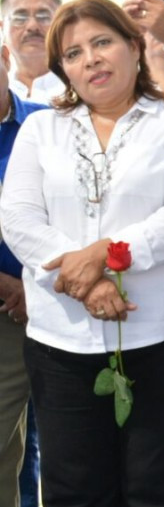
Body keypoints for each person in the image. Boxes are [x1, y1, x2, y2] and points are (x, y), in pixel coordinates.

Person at [0, 0, 164, 505]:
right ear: (64, 70)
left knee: (160, 488)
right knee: (73, 489)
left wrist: (108, 252)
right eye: (73, 54)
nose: (91, 59)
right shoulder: (41, 129)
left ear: (134, 46)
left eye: (102, 42)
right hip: (61, 341)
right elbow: (19, 220)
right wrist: (89, 283)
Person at [0, 41, 48, 507]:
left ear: (4, 56)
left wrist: (37, 285)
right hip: (8, 310)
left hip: (59, 305)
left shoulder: (46, 123)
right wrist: (11, 287)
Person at [0, 0, 65, 103]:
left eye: (44, 17)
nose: (32, 26)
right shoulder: (2, 89)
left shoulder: (82, 88)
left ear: (61, 25)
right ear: (2, 28)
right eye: (20, 17)